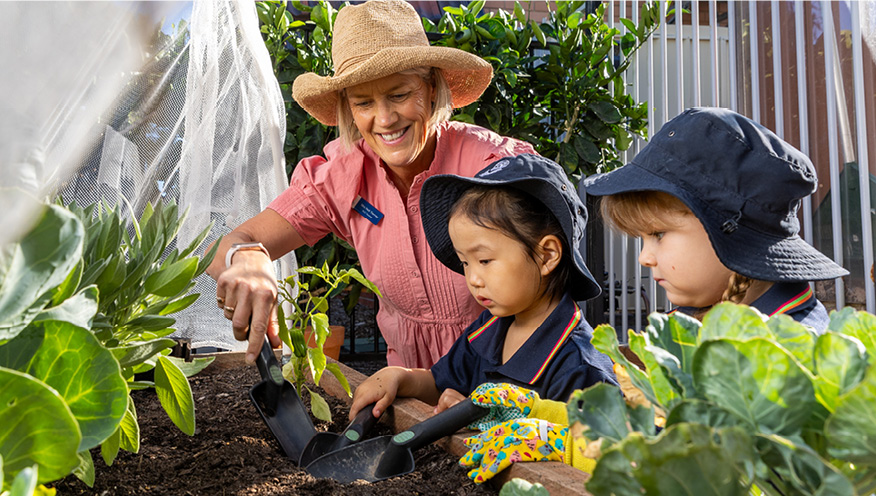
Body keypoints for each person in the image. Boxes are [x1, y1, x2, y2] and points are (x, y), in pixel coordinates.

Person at [206, 0, 536, 368]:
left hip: (514, 386)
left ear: (430, 88)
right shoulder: (343, 176)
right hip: (405, 391)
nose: (385, 118)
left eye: (399, 95)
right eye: (363, 102)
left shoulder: (493, 167)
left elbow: (548, 294)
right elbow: (224, 248)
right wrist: (247, 258)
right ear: (348, 109)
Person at [349, 154, 618, 423]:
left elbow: (577, 456)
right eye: (466, 262)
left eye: (485, 260)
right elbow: (440, 383)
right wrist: (398, 377)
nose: (473, 279)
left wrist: (483, 421)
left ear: (546, 255)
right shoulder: (489, 328)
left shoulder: (580, 368)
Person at [583, 107, 848, 330]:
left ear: (729, 234)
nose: (644, 258)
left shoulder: (792, 356)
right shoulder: (697, 318)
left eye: (658, 235)